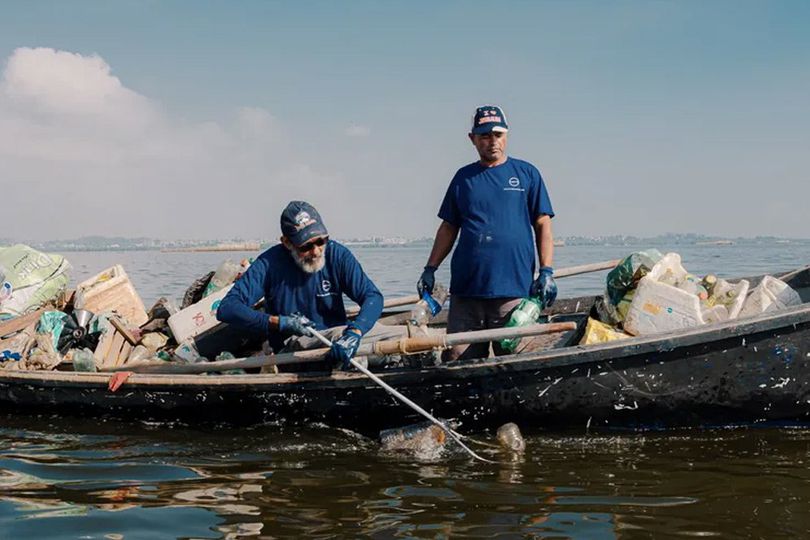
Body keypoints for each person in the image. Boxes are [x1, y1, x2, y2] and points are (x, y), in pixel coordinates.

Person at [417, 105, 557, 361]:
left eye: (498, 135)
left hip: (513, 289)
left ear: (506, 136)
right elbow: (449, 227)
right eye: (485, 136)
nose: (492, 142)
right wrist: (430, 268)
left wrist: (546, 271)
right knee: (458, 360)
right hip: (467, 291)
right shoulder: (463, 178)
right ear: (472, 139)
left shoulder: (527, 174)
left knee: (513, 359)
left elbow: (542, 224)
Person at [217, 201, 387, 369]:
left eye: (321, 241)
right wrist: (280, 322)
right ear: (287, 242)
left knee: (391, 333)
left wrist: (355, 332)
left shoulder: (338, 255)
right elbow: (227, 308)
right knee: (344, 343)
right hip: (294, 346)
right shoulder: (268, 264)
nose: (316, 252)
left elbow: (372, 296)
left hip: (339, 335)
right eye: (306, 246)